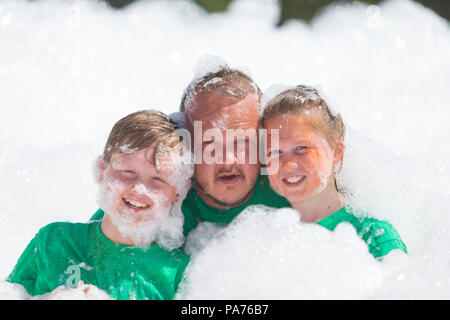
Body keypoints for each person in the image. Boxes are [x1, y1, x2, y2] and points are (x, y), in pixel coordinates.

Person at [7, 110, 192, 299]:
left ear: (178, 192)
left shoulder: (177, 274)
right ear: (102, 170)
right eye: (128, 172)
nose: (139, 189)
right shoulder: (54, 242)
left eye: (157, 180)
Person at [261, 85, 407, 259]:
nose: (288, 165)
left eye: (301, 148)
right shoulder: (264, 236)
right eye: (275, 152)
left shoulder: (372, 237)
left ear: (336, 151)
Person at [179, 66, 290, 236]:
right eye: (210, 144)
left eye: (242, 142)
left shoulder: (291, 195)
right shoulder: (170, 212)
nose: (228, 160)